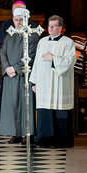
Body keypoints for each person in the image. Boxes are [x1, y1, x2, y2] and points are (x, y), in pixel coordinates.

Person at [30, 15, 76, 148]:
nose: (50, 28)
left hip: (59, 84)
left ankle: (61, 141)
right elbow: (36, 63)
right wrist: (34, 82)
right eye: (49, 26)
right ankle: (44, 140)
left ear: (60, 28)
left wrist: (53, 59)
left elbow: (70, 61)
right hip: (43, 83)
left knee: (59, 111)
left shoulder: (68, 42)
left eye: (53, 26)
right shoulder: (42, 42)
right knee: (45, 111)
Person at [0, 6, 39, 143]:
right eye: (16, 20)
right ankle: (15, 133)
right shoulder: (10, 34)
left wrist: (15, 68)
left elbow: (31, 55)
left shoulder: (33, 35)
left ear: (27, 20)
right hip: (10, 76)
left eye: (21, 20)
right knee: (12, 105)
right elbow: (3, 52)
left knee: (25, 105)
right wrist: (7, 68)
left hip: (24, 76)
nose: (19, 23)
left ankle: (28, 133)